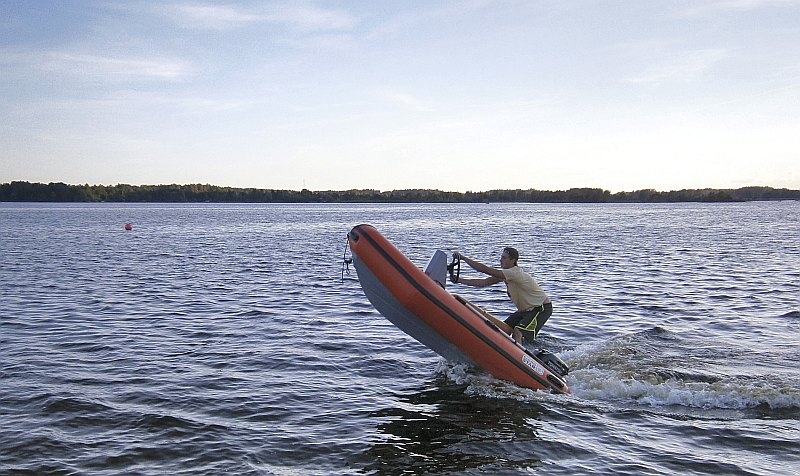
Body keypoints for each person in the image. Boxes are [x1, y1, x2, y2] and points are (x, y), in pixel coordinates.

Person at [451, 248, 552, 345]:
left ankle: (519, 360)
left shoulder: (514, 273)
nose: (500, 260)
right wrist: (459, 280)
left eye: (504, 258)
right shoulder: (506, 275)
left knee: (517, 332)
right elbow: (483, 282)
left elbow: (485, 269)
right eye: (501, 257)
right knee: (503, 330)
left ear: (513, 260)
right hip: (525, 311)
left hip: (541, 308)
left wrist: (463, 258)